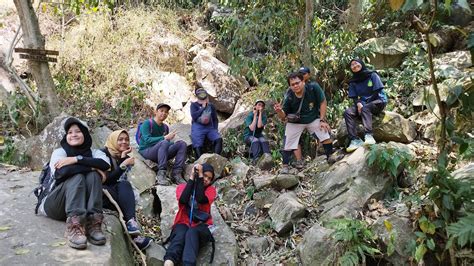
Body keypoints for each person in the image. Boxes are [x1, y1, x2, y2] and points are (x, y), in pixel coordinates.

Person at [38, 117, 110, 249]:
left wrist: (76, 159)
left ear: (85, 135)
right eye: (70, 132)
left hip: (83, 205)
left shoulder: (95, 153)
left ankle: (93, 222)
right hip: (56, 205)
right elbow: (62, 173)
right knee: (77, 177)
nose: (73, 135)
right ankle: (74, 226)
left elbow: (105, 164)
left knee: (93, 176)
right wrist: (92, 166)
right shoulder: (60, 152)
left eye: (77, 131)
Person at [274, 72, 342, 173]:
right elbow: (283, 117)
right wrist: (279, 111)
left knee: (325, 134)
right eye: (292, 84)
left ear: (303, 82)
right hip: (295, 122)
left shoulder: (313, 88)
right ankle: (285, 166)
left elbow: (323, 102)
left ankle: (330, 157)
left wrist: (322, 120)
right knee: (288, 143)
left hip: (312, 118)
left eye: (297, 83)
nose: (295, 86)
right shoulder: (289, 95)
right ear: (290, 86)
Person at [102, 129, 152, 250]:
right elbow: (105, 180)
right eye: (120, 139)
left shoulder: (124, 157)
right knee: (123, 187)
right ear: (113, 140)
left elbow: (120, 181)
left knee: (125, 185)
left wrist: (122, 160)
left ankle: (131, 224)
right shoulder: (102, 154)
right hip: (101, 192)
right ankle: (135, 237)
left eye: (126, 139)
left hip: (113, 194)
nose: (124, 142)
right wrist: (122, 165)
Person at [163, 163, 217, 266]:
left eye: (209, 178)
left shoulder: (211, 191)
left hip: (202, 226)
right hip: (182, 222)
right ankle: (169, 262)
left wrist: (200, 176)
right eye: (204, 175)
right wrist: (192, 177)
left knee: (192, 232)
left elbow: (201, 198)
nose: (206, 179)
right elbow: (183, 200)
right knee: (181, 234)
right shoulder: (182, 187)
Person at [344, 59, 387, 152]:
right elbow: (354, 97)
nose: (354, 66)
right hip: (364, 103)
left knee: (365, 108)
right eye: (352, 65)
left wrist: (364, 105)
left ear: (362, 64)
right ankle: (354, 140)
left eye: (356, 63)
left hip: (378, 100)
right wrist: (358, 103)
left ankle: (369, 135)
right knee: (348, 112)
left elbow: (377, 91)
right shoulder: (353, 81)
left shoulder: (372, 75)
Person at [138, 103, 187, 186]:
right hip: (147, 151)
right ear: (156, 112)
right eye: (161, 111)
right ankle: (161, 174)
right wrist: (165, 138)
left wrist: (172, 142)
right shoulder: (147, 123)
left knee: (181, 144)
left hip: (160, 152)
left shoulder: (165, 127)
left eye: (166, 112)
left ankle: (176, 174)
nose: (164, 113)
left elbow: (166, 143)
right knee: (164, 142)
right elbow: (147, 140)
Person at [190, 88, 223, 159]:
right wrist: (202, 108)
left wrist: (215, 129)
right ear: (197, 96)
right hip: (198, 128)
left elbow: (215, 119)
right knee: (197, 145)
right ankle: (200, 162)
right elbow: (194, 117)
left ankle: (216, 158)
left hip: (209, 127)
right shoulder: (193, 105)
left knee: (218, 139)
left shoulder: (211, 106)